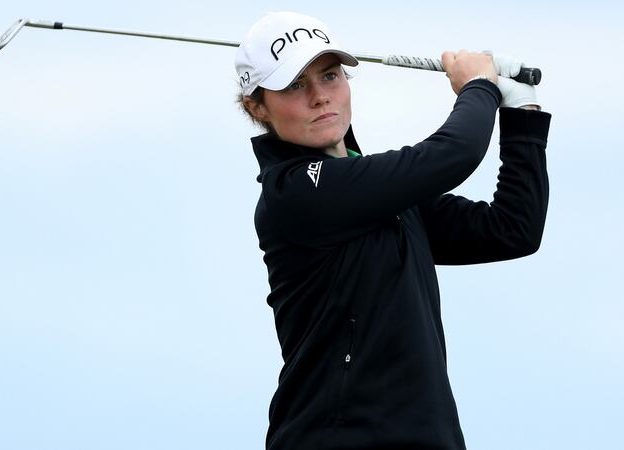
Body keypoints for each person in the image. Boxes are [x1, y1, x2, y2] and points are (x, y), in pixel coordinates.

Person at [235, 11, 551, 450]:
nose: (319, 97)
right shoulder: (295, 193)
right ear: (255, 106)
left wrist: (522, 110)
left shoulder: (379, 193)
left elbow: (512, 229)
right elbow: (453, 153)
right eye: (294, 85)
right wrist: (479, 87)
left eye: (329, 76)